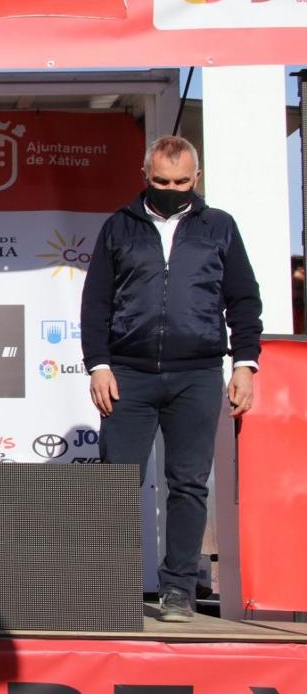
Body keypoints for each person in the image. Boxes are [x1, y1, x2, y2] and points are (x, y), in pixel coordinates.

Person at [81, 134, 262, 623]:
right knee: (117, 484)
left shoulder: (219, 227)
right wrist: (98, 364)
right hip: (128, 376)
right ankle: (108, 589)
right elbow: (96, 301)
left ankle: (178, 590)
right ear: (145, 175)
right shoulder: (119, 226)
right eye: (161, 181)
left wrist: (245, 362)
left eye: (181, 181)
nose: (171, 188)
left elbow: (244, 300)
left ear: (196, 179)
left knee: (188, 484)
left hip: (198, 374)